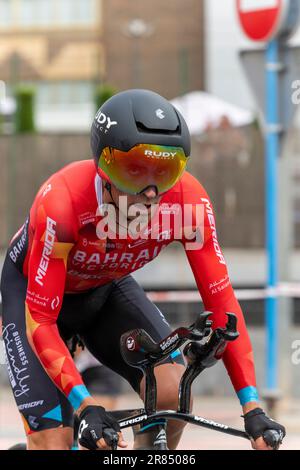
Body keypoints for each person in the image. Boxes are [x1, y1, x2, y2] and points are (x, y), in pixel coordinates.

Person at [0, 89, 285, 450]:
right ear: (103, 166)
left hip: (105, 287)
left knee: (171, 392)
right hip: (33, 299)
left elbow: (222, 304)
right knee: (55, 441)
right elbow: (41, 319)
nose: (150, 192)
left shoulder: (188, 204)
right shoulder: (63, 204)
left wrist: (252, 405)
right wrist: (85, 405)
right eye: (133, 171)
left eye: (165, 172)